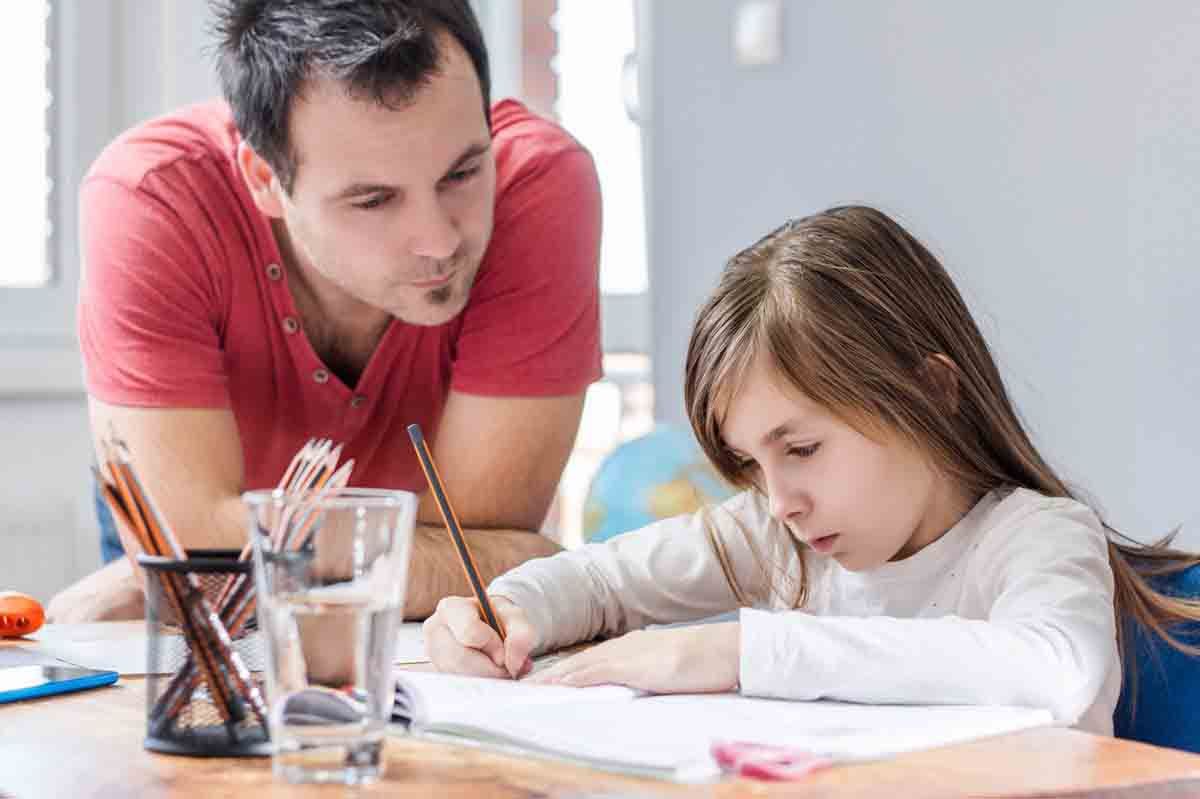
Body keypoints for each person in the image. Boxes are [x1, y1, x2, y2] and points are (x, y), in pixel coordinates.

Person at [424, 205, 1200, 735]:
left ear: (930, 390)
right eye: (752, 464)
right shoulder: (779, 535)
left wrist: (735, 652)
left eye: (801, 449)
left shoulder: (1034, 537)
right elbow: (601, 582)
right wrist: (505, 611)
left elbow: (1056, 667)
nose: (780, 498)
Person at [48, 0, 601, 622]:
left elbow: (478, 557)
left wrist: (225, 546)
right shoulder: (153, 196)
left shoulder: (539, 182)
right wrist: (193, 555)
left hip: (328, 584)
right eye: (373, 200)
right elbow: (187, 560)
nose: (441, 241)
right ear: (263, 178)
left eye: (463, 172)